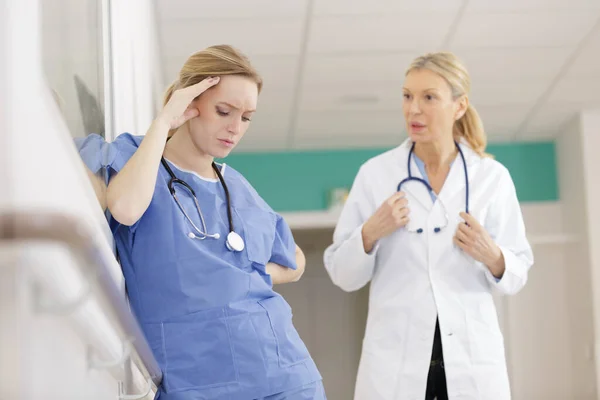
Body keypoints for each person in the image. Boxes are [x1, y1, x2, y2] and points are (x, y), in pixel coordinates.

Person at [77, 45, 325, 400]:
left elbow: (295, 260)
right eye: (224, 111)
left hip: (283, 375)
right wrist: (163, 124)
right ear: (188, 102)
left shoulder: (236, 187)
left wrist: (245, 276)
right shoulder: (135, 158)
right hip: (195, 382)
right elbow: (126, 209)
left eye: (246, 117)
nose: (235, 128)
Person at [323, 52, 534, 400]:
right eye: (407, 96)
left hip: (470, 363)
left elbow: (518, 272)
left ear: (459, 106)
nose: (413, 109)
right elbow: (342, 275)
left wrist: (493, 255)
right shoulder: (376, 174)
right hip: (396, 365)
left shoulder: (491, 178)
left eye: (428, 97)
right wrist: (370, 232)